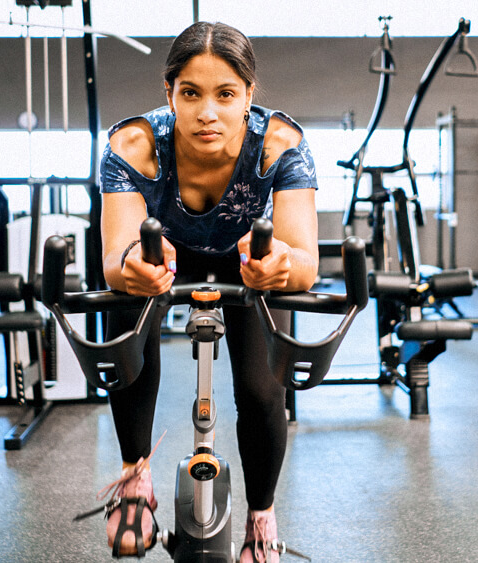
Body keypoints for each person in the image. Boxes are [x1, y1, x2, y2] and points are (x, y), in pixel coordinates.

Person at [93, 21, 319, 562]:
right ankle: (134, 478)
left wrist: (278, 265)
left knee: (263, 390)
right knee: (128, 327)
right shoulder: (134, 145)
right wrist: (133, 270)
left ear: (248, 97)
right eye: (190, 93)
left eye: (225, 94)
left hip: (249, 260)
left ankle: (261, 518)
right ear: (168, 92)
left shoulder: (279, 145)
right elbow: (113, 260)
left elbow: (305, 266)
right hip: (162, 254)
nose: (207, 112)